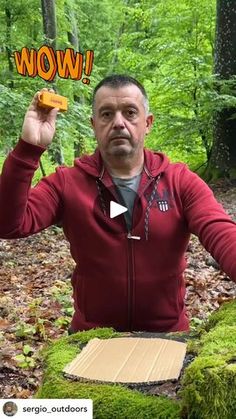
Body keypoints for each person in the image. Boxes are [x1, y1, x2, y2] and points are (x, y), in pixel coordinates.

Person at [0, 74, 235, 334]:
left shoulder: (179, 182)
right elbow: (8, 225)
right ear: (94, 124)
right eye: (107, 114)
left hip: (167, 336)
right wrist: (28, 149)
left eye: (130, 112)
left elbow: (222, 233)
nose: (118, 123)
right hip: (92, 337)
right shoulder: (67, 183)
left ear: (147, 123)